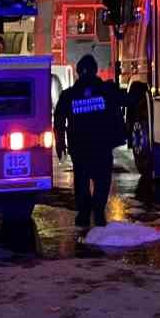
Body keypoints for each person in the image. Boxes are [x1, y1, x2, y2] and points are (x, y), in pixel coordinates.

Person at [54, 54, 123, 231]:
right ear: (95, 70)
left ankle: (84, 214)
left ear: (78, 72)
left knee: (82, 180)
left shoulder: (69, 95)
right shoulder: (106, 91)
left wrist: (60, 143)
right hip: (101, 146)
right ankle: (98, 212)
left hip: (80, 147)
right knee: (102, 180)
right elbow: (124, 101)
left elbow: (59, 119)